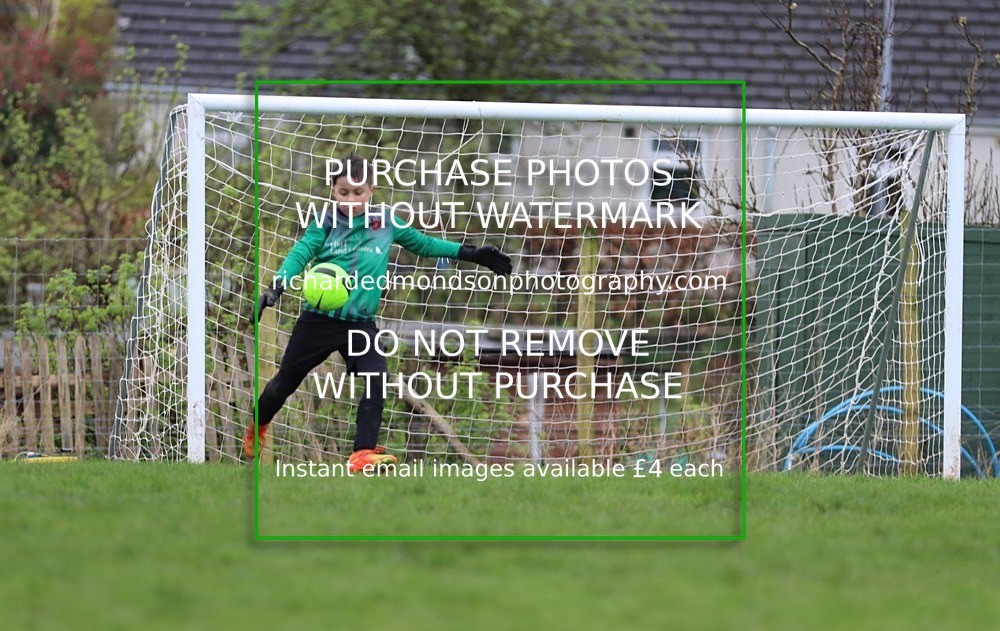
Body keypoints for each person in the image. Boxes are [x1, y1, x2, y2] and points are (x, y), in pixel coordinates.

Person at [245, 153, 512, 472]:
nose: (351, 199)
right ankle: (258, 425)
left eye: (358, 192)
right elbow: (300, 253)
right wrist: (276, 286)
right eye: (343, 192)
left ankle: (362, 454)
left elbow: (423, 245)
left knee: (377, 377)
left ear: (371, 190)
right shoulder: (326, 222)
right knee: (284, 383)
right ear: (333, 191)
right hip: (317, 322)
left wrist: (472, 254)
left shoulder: (385, 221)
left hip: (360, 324)